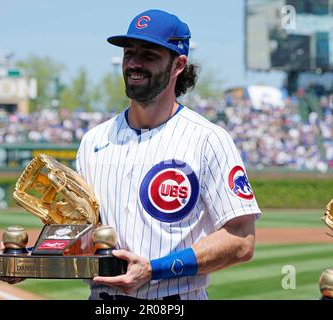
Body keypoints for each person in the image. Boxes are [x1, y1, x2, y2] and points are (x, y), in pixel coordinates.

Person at [76, 9, 261, 300]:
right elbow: (79, 233)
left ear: (178, 65)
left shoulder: (208, 139)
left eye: (148, 55)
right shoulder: (93, 142)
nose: (134, 64)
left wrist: (154, 269)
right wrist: (27, 261)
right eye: (128, 53)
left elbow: (241, 239)